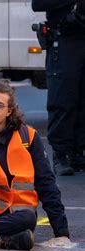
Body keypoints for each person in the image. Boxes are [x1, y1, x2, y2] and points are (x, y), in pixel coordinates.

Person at [0, 79, 71, 250]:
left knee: (28, 219)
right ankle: (1, 239)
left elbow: (46, 183)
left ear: (9, 111)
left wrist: (61, 232)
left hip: (16, 217)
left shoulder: (28, 137)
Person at [31, 0, 85, 175]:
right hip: (64, 40)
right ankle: (60, 154)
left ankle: (78, 153)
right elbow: (38, 3)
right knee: (63, 98)